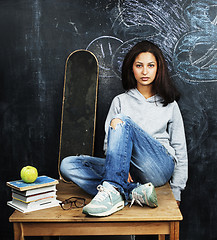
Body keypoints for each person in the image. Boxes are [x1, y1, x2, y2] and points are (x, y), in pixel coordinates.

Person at [60, 40, 188, 217]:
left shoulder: (169, 104)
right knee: (68, 165)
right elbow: (109, 144)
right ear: (131, 68)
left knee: (120, 120)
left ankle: (112, 190)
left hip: (159, 167)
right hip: (130, 171)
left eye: (150, 65)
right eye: (139, 65)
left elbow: (180, 148)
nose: (145, 71)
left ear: (158, 69)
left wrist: (177, 190)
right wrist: (121, 166)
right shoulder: (120, 101)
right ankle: (133, 192)